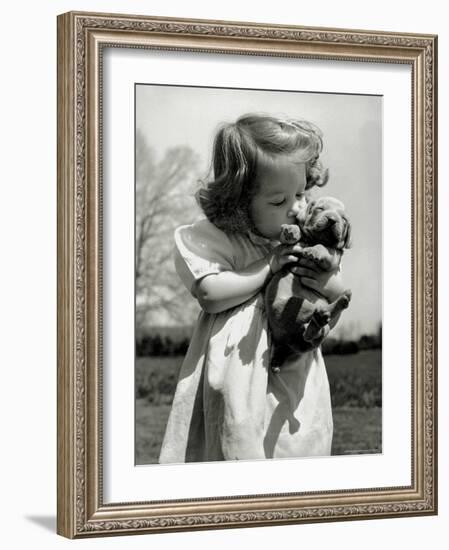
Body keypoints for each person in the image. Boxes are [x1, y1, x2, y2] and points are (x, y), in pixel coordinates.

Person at [159, 114, 346, 463]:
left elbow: (337, 291)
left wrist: (321, 280)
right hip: (238, 373)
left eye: (301, 193)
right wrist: (268, 266)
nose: (295, 208)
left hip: (294, 369)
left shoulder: (304, 239)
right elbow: (210, 294)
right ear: (239, 202)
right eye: (278, 201)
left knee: (295, 444)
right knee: (237, 439)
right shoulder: (222, 240)